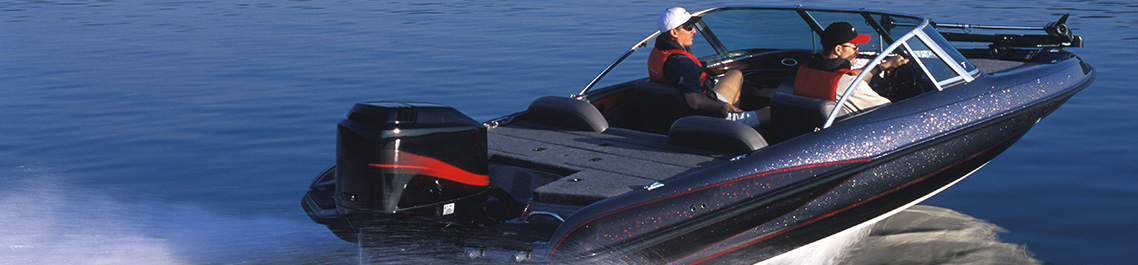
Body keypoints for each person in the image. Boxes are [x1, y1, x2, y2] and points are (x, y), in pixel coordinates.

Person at [648, 7, 768, 127]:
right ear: (674, 32)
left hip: (684, 116)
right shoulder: (684, 64)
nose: (694, 31)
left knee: (735, 74)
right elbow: (695, 102)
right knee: (776, 111)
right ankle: (736, 124)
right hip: (710, 120)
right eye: (688, 27)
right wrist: (723, 106)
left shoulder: (659, 53)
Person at [793, 22, 909, 113]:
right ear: (838, 49)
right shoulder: (849, 86)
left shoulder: (804, 71)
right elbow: (889, 111)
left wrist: (884, 66)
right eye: (855, 47)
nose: (858, 52)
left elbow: (843, 78)